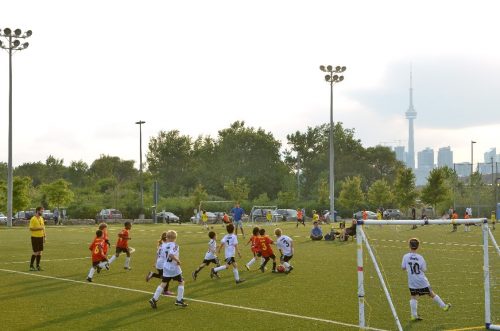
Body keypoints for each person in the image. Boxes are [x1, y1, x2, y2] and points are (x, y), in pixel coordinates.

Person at [402, 238, 451, 321]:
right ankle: (444, 306)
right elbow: (424, 269)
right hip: (421, 281)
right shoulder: (420, 257)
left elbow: (403, 267)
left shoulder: (405, 256)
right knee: (431, 293)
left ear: (409, 246)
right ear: (418, 247)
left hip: (412, 281)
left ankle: (414, 315)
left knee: (413, 296)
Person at [149, 230, 188, 308]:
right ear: (175, 238)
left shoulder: (164, 245)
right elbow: (171, 254)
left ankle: (154, 299)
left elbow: (163, 256)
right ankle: (179, 300)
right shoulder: (175, 245)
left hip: (166, 266)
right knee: (181, 282)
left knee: (163, 283)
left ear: (167, 237)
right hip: (173, 267)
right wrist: (177, 260)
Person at [146, 231, 174, 296]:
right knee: (167, 277)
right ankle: (165, 291)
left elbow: (157, 254)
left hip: (159, 263)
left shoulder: (161, 245)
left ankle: (152, 274)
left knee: (163, 276)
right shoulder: (167, 246)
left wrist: (155, 262)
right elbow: (170, 255)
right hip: (163, 263)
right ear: (167, 238)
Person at [29, 206, 46, 271]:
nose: (42, 212)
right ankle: (31, 266)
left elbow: (43, 228)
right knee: (35, 252)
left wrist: (44, 236)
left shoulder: (41, 218)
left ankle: (38, 266)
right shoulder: (33, 219)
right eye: (41, 211)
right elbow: (31, 228)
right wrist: (39, 228)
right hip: (35, 237)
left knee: (40, 252)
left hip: (41, 237)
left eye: (42, 211)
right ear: (38, 211)